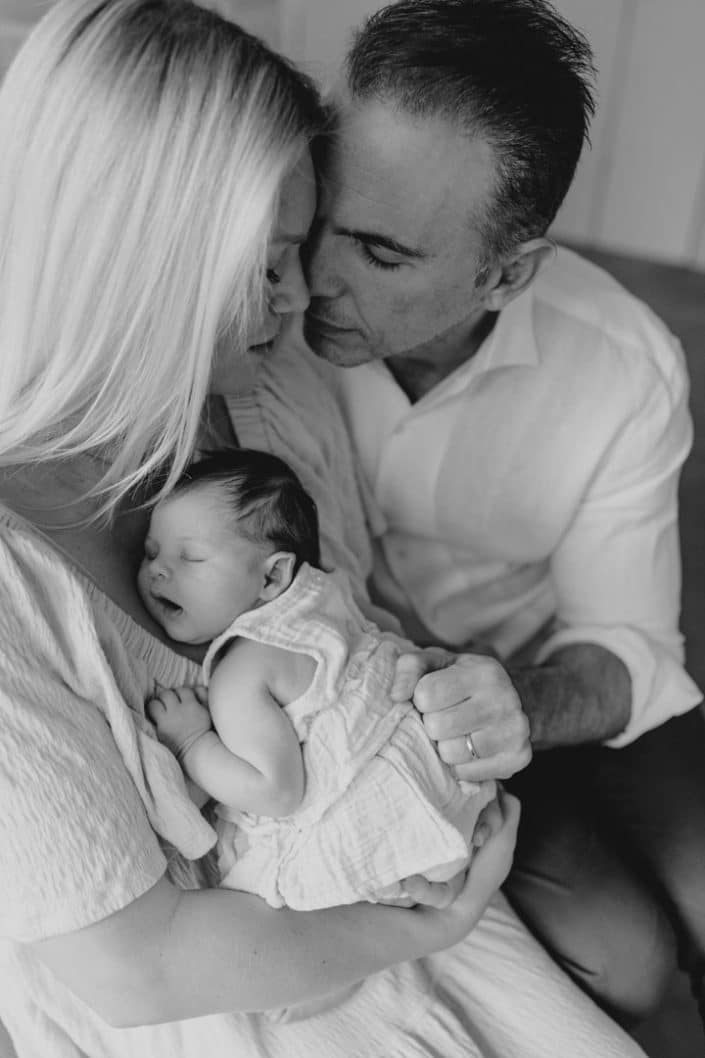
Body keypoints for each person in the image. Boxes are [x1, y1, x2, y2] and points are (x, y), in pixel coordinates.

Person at [0, 2, 648, 1057]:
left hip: (398, 885)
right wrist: (420, 921)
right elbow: (138, 967)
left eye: (306, 249)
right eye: (265, 267)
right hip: (219, 996)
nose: (304, 299)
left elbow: (359, 628)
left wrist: (451, 694)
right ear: (134, 263)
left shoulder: (273, 394)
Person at [294, 0, 705, 1029]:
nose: (314, 275)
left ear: (506, 273)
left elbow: (627, 642)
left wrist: (519, 704)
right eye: (321, 216)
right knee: (634, 963)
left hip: (539, 678)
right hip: (365, 705)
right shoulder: (256, 298)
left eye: (382, 254)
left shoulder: (621, 367)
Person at [140, 449, 497, 909]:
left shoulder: (243, 670)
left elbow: (278, 792)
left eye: (191, 557)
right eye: (151, 553)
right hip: (441, 778)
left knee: (262, 874)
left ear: (272, 577)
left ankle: (412, 879)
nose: (158, 569)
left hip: (375, 821)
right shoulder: (328, 598)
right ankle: (442, 871)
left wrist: (192, 743)